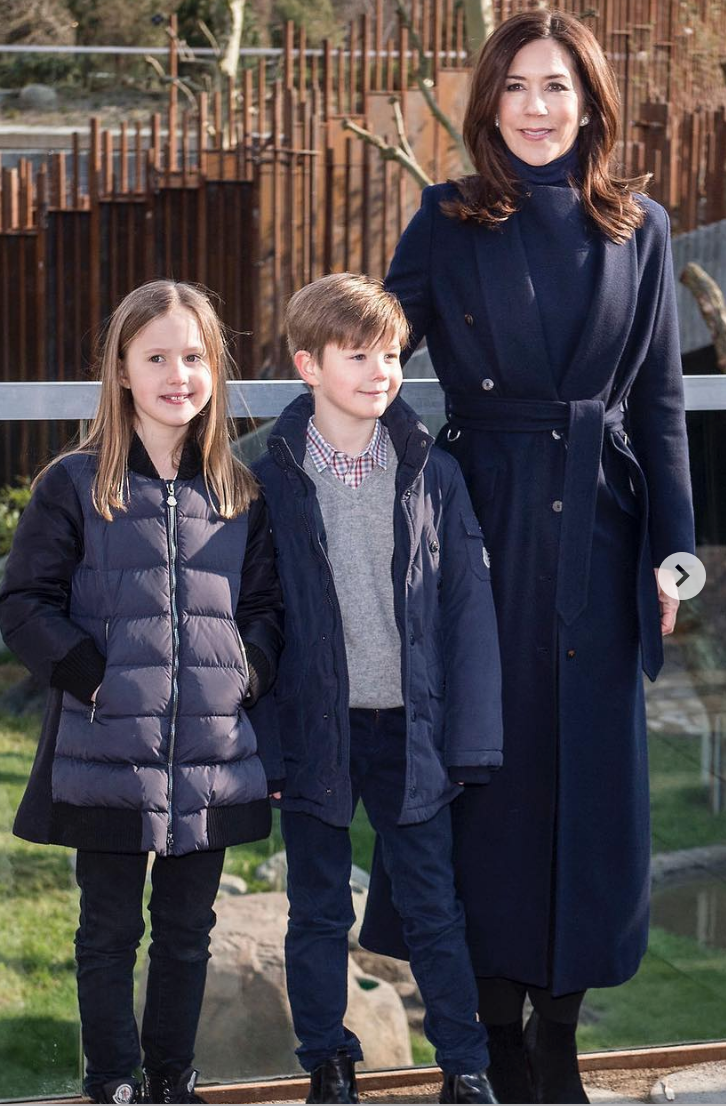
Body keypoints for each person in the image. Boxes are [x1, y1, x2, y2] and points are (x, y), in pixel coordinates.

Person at [384, 10, 695, 1103]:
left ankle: (559, 1033)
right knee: (490, 775)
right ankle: (495, 1032)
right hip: (481, 528)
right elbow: (378, 355)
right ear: (487, 104)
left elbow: (655, 401)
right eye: (514, 85)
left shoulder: (641, 227)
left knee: (593, 784)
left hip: (604, 536)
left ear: (589, 101)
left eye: (555, 85)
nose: (534, 105)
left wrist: (672, 555)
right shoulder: (445, 218)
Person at [0, 280, 283, 1105]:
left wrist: (247, 673)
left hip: (211, 755)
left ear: (215, 370)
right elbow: (23, 605)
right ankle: (113, 1083)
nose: (177, 374)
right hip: (105, 751)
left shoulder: (239, 491)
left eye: (194, 356)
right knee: (110, 930)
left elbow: (268, 610)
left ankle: (172, 1080)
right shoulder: (75, 484)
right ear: (121, 370)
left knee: (189, 933)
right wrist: (93, 676)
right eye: (156, 356)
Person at [249, 272, 503, 1105]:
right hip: (317, 727)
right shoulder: (269, 479)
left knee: (434, 905)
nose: (379, 371)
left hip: (410, 727)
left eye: (390, 355)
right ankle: (328, 1062)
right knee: (318, 909)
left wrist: (468, 736)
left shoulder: (433, 472)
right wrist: (270, 743)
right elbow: (257, 619)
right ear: (307, 366)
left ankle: (465, 1066)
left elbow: (465, 608)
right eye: (357, 355)